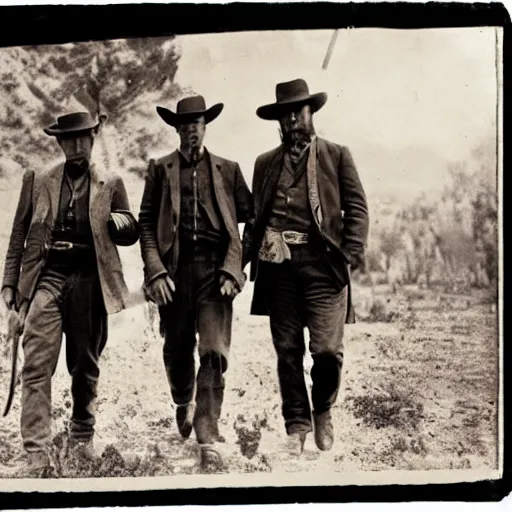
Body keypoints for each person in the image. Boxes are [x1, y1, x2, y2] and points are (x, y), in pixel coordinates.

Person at [1, 111, 139, 476]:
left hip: (91, 281)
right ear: (60, 143)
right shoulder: (39, 181)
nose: (78, 147)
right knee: (35, 363)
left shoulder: (112, 183)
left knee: (85, 366)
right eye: (70, 140)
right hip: (47, 278)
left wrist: (121, 225)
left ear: (93, 141)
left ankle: (81, 439)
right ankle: (36, 452)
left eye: (84, 139)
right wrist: (11, 287)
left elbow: (127, 232)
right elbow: (19, 236)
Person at [245, 78, 369, 455]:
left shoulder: (336, 155)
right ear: (279, 122)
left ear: (311, 113)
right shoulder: (265, 164)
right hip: (278, 268)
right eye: (285, 116)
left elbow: (357, 208)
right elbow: (255, 218)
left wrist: (350, 252)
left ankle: (323, 410)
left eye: (298, 113)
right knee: (287, 350)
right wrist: (242, 262)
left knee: (327, 351)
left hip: (323, 268)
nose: (293, 122)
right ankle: (296, 423)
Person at [138, 95, 253, 471]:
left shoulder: (228, 170)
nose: (192, 131)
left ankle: (207, 436)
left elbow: (252, 222)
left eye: (198, 124)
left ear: (206, 127)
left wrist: (234, 268)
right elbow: (145, 226)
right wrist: (155, 272)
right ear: (177, 129)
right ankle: (181, 400)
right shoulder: (159, 169)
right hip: (174, 274)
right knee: (177, 351)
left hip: (214, 274)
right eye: (186, 125)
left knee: (213, 352)